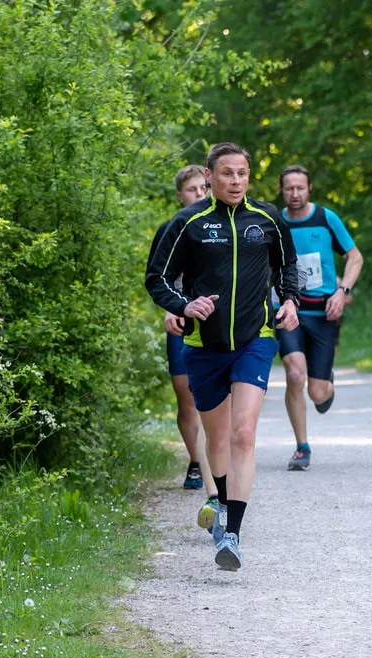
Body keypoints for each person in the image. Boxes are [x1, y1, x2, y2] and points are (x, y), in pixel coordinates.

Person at [146, 142, 300, 572]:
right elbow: (156, 279)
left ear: (250, 177)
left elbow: (288, 269)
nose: (236, 181)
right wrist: (183, 305)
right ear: (210, 178)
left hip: (256, 337)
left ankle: (232, 531)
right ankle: (218, 499)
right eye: (227, 174)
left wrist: (289, 302)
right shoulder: (186, 224)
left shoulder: (267, 220)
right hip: (203, 346)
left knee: (244, 432)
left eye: (242, 173)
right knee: (216, 440)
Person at [147, 165, 222, 532]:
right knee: (186, 399)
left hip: (219, 327)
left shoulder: (224, 225)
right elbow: (159, 278)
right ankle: (197, 458)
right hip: (181, 320)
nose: (198, 193)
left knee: (209, 400)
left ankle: (214, 478)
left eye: (202, 187)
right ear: (180, 195)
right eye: (191, 189)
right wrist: (169, 310)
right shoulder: (173, 227)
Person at [276, 165, 363, 471]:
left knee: (317, 392)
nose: (295, 194)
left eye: (300, 188)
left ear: (309, 188)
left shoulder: (326, 219)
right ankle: (302, 447)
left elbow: (355, 256)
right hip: (290, 313)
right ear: (281, 190)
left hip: (323, 313)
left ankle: (327, 383)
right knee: (294, 373)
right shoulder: (275, 223)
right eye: (289, 188)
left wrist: (342, 291)